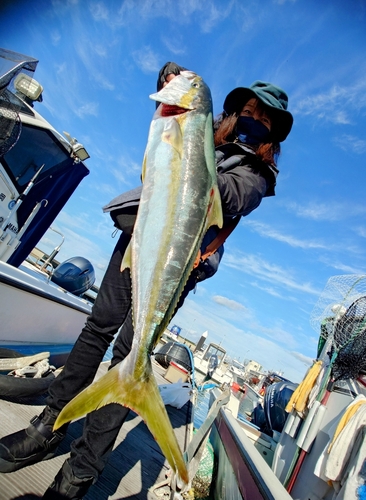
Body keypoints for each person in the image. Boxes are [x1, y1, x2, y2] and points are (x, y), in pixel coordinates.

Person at [0, 62, 293, 498]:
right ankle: (49, 424)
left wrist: (191, 138)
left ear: (272, 135)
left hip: (176, 266)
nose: (255, 119)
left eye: (265, 119)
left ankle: (82, 469)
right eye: (250, 109)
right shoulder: (196, 130)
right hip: (140, 237)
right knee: (96, 327)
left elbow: (229, 197)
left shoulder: (257, 173)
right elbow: (164, 151)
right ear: (232, 112)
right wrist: (174, 96)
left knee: (128, 354)